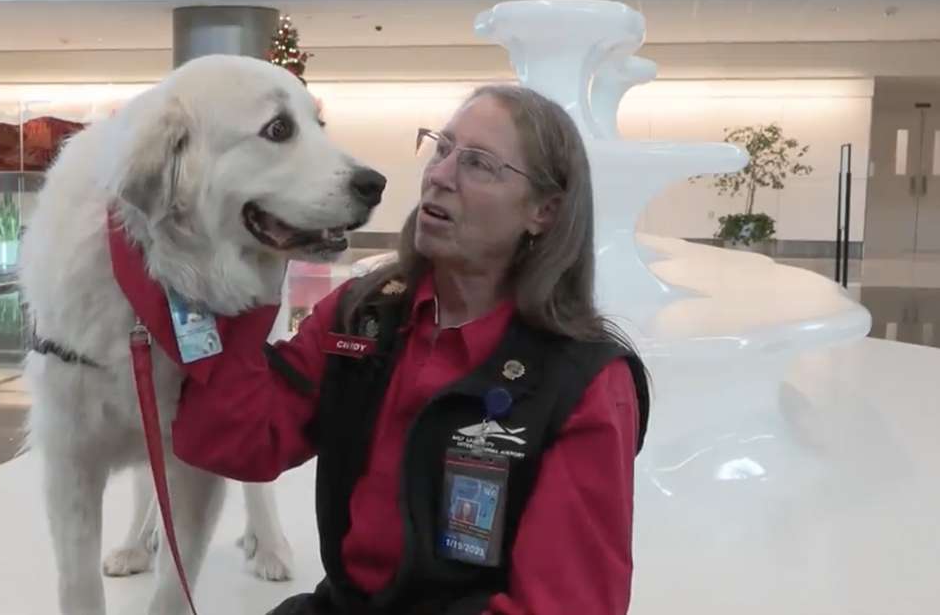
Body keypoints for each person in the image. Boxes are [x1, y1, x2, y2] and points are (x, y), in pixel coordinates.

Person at [170, 84, 651, 615]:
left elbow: (563, 603)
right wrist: (230, 277)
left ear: (544, 211)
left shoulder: (583, 381)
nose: (440, 175)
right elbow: (232, 441)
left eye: (479, 164)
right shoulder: (363, 315)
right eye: (442, 148)